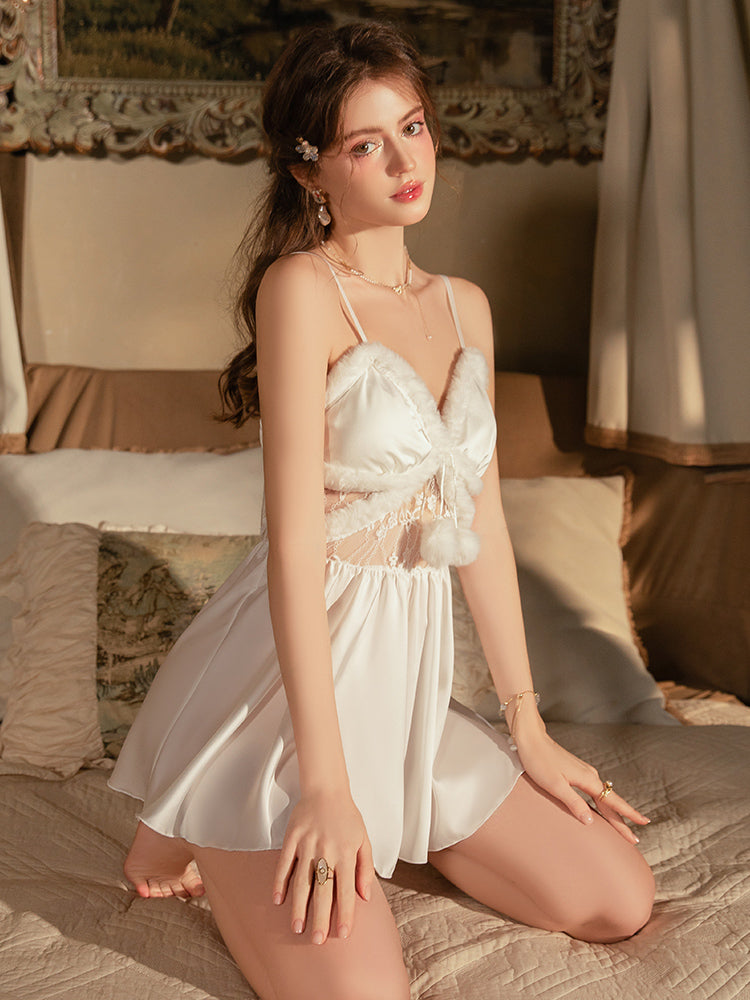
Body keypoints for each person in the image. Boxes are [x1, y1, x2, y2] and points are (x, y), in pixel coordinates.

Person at [109, 21, 655, 1000]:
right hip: (293, 705)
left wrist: (527, 728)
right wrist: (325, 784)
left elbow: (476, 518)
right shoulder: (301, 292)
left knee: (620, 898)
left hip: (401, 688)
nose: (408, 161)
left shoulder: (464, 305)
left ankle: (405, 811)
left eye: (413, 127)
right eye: (369, 144)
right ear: (313, 171)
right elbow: (294, 545)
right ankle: (214, 808)